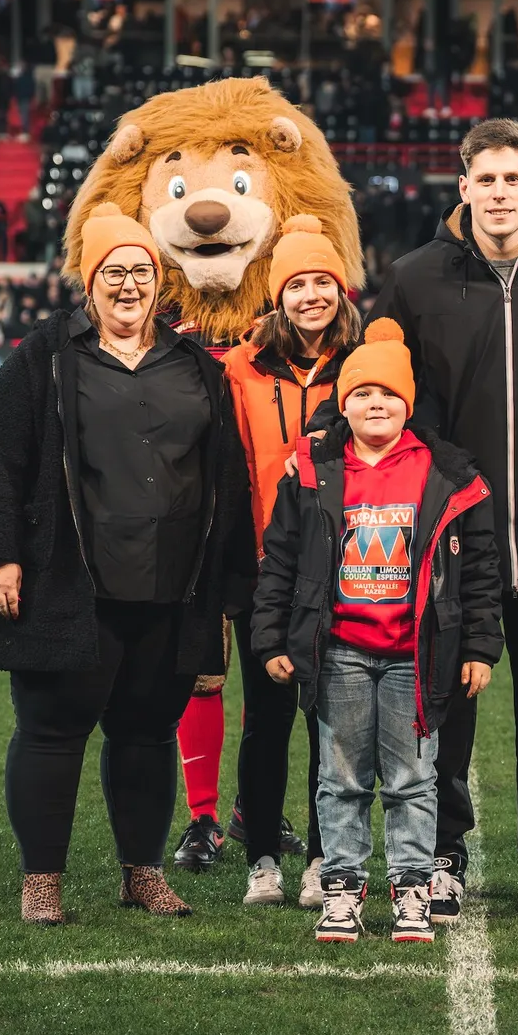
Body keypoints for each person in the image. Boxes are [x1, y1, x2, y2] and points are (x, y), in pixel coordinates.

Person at [316, 117, 518, 924]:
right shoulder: (416, 277)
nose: (500, 193)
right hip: (449, 537)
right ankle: (443, 855)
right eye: (485, 180)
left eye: (514, 179)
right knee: (443, 707)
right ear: (462, 187)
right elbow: (379, 381)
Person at [0, 202, 255, 925]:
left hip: (171, 584)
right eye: (113, 272)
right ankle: (43, 882)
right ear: (89, 284)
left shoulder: (195, 366)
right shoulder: (43, 358)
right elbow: (0, 459)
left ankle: (141, 874)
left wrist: (227, 587)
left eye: (141, 271)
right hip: (71, 582)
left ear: (161, 283)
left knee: (148, 733)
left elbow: (227, 477)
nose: (129, 285)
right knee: (51, 733)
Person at [252, 320, 502, 944]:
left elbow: (480, 569)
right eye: (362, 393)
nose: (376, 404)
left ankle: (412, 888)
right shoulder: (312, 468)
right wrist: (270, 637)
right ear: (344, 401)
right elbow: (279, 558)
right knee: (339, 778)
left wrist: (478, 645)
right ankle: (342, 887)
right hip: (339, 651)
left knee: (413, 779)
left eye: (389, 394)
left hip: (417, 654)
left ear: (408, 404)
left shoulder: (445, 472)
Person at [171, 216, 355, 907]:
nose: (311, 296)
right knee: (269, 717)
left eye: (322, 282)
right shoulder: (244, 365)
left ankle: (323, 856)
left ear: (341, 289)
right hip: (262, 571)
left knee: (330, 720)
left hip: (347, 571)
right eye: (297, 284)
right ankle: (263, 862)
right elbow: (226, 467)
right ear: (277, 296)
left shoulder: (364, 362)